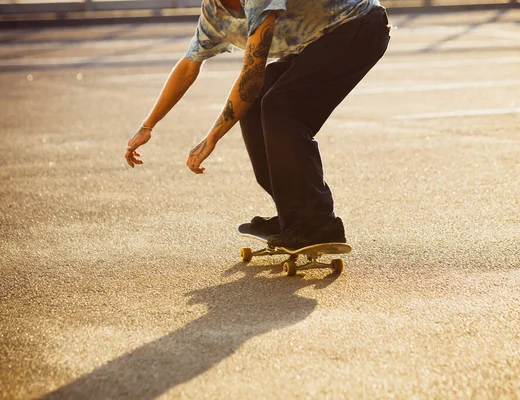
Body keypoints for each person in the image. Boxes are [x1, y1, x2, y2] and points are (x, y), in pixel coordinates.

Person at [124, 0, 390, 249]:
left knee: (281, 106)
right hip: (320, 40)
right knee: (255, 106)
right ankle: (294, 216)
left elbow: (252, 73)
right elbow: (187, 67)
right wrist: (148, 126)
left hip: (359, 25)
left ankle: (317, 223)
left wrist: (213, 136)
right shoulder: (214, 12)